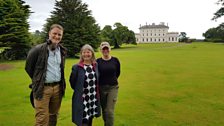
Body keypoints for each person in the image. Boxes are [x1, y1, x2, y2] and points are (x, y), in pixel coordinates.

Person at [25, 24, 67, 126]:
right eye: (54, 34)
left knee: (53, 116)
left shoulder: (62, 51)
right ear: (49, 34)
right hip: (42, 89)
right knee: (42, 119)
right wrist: (38, 80)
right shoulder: (38, 50)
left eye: (59, 35)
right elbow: (28, 68)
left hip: (58, 88)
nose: (57, 36)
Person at [69, 44, 101, 126]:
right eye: (84, 52)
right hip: (82, 99)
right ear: (81, 54)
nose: (86, 54)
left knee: (90, 119)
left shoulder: (95, 65)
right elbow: (72, 83)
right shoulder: (76, 67)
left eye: (88, 52)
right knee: (83, 121)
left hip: (93, 97)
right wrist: (80, 91)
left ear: (92, 53)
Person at [96, 42, 121, 126]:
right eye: (103, 49)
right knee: (104, 110)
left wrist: (111, 80)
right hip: (101, 88)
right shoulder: (97, 62)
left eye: (107, 48)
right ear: (101, 50)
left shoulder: (115, 60)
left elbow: (117, 73)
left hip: (113, 88)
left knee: (109, 111)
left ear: (110, 49)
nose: (105, 50)